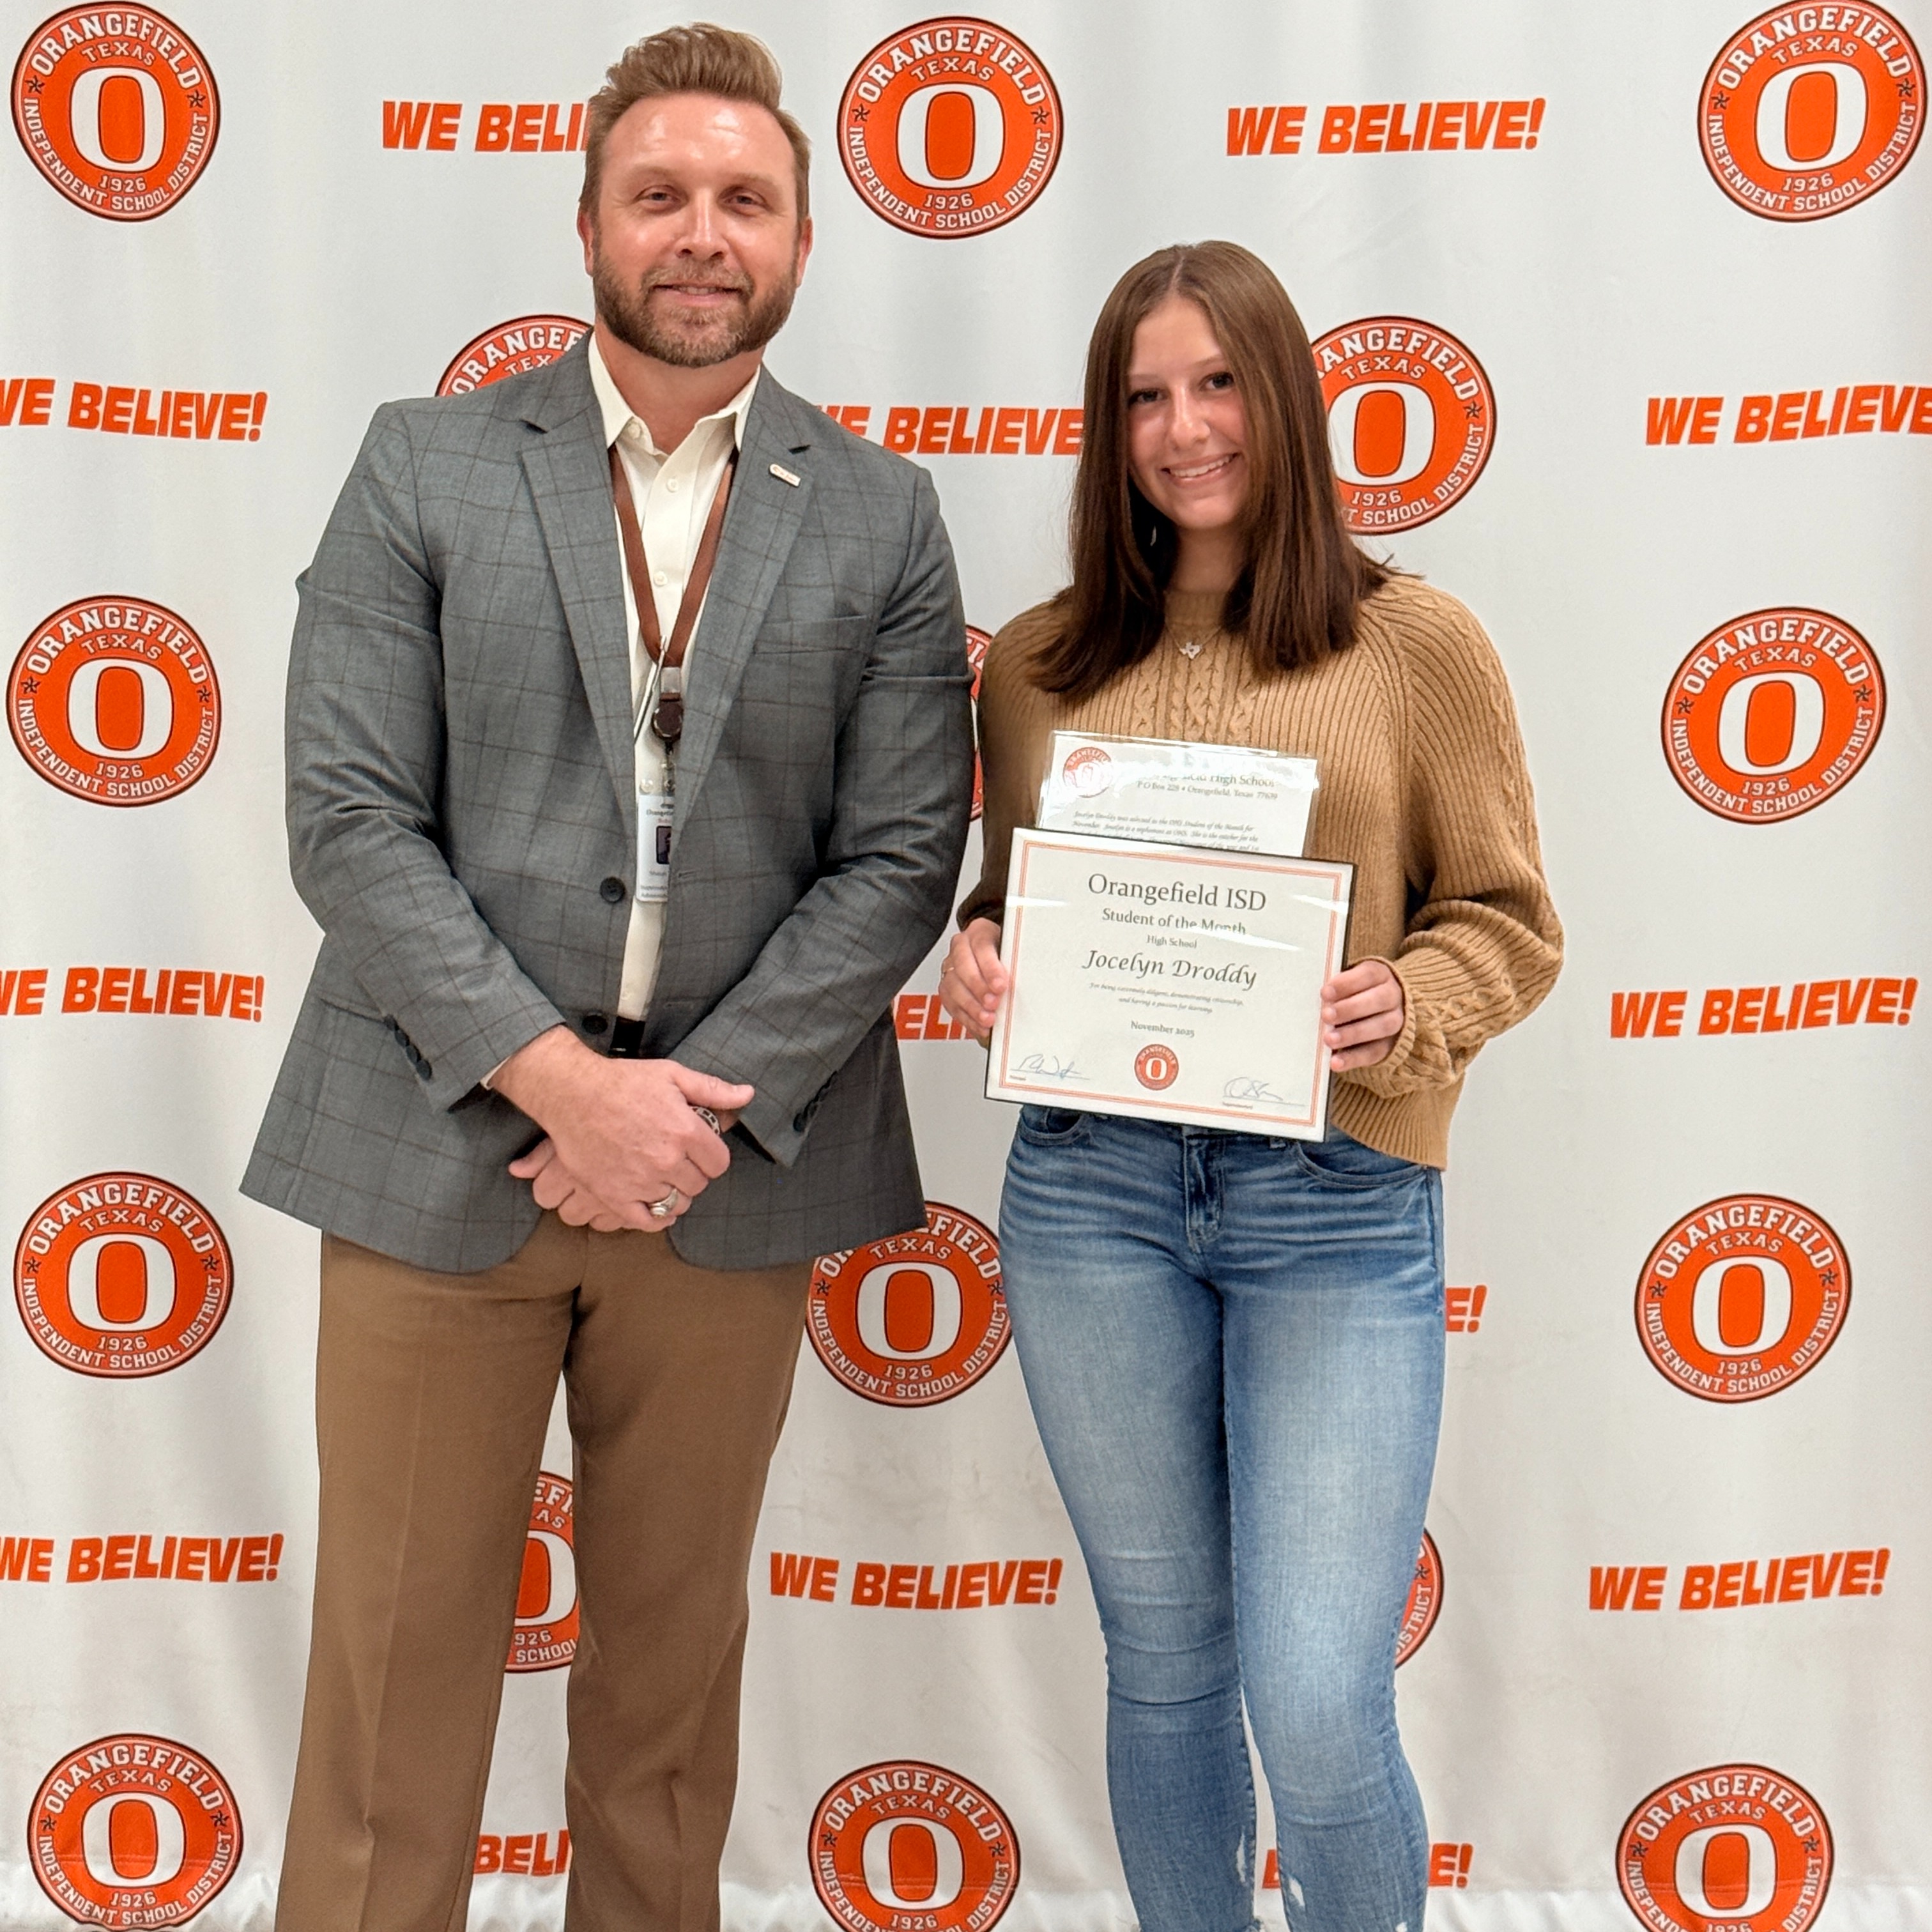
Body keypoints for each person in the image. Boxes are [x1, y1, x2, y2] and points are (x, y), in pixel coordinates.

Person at [243, 24, 971, 1931]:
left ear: (805, 240)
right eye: (662, 194)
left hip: (723, 1187)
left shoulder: (881, 513)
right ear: (589, 223)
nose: (703, 233)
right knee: (393, 1697)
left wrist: (679, 1116)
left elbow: (901, 859)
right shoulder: (424, 463)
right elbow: (346, 819)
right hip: (431, 1160)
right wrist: (566, 1087)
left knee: (665, 1714)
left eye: (747, 199)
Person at [939, 241, 1561, 1932]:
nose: (1182, 427)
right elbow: (1015, 898)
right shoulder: (1045, 662)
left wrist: (1408, 1001)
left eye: (1217, 383)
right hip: (1093, 1195)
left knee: (1313, 1693)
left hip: (1336, 1207)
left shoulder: (1414, 644)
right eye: (1144, 395)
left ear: (1282, 396)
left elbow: (1511, 925)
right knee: (1163, 1660)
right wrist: (981, 952)